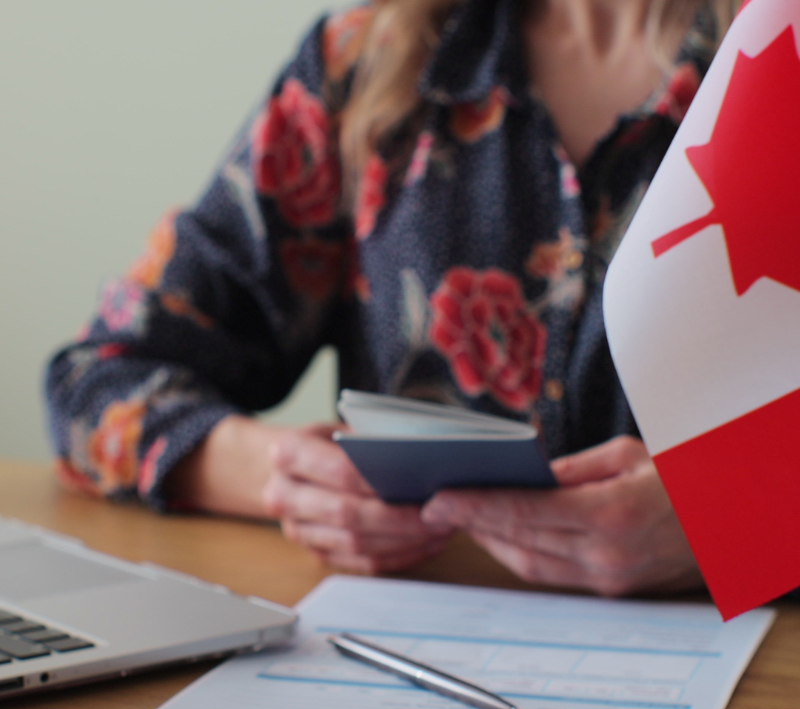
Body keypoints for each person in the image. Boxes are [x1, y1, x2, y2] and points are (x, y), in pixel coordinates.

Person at [45, 0, 738, 596]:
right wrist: (286, 479)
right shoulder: (365, 65)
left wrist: (740, 518)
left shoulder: (773, 64)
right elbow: (97, 377)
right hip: (414, 665)